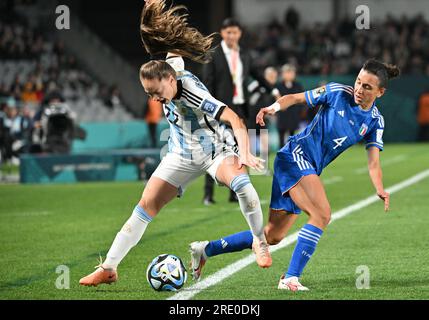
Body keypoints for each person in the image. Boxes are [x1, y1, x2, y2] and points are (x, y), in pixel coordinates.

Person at [79, 0, 271, 287]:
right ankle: (109, 268)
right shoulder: (168, 69)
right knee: (145, 206)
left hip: (214, 151)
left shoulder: (191, 92)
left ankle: (260, 242)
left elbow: (234, 119)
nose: (154, 98)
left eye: (155, 91)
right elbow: (169, 42)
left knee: (245, 187)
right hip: (180, 154)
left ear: (170, 79)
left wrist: (244, 152)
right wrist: (151, 19)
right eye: (148, 93)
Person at [189, 59, 399, 291]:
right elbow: (296, 98)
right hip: (295, 157)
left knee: (272, 235)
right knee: (322, 214)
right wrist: (274, 108)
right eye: (358, 82)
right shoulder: (337, 92)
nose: (359, 89)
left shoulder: (375, 121)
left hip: (305, 167)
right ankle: (290, 278)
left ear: (381, 92)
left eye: (367, 87)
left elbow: (373, 163)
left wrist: (379, 188)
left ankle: (206, 249)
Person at [202, 18, 270, 205]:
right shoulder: (212, 54)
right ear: (222, 33)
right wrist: (209, 108)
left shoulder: (245, 55)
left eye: (235, 32)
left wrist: (271, 89)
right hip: (220, 110)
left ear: (239, 34)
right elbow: (207, 83)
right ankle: (208, 194)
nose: (232, 36)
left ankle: (237, 192)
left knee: (241, 150)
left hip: (241, 108)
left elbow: (256, 74)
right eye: (228, 32)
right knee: (215, 149)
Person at [275, 64, 305, 147]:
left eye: (291, 72)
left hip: (293, 114)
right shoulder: (278, 86)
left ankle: (291, 153)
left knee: (292, 136)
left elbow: (302, 100)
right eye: (287, 72)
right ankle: (281, 153)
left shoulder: (298, 86)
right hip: (282, 115)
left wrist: (299, 111)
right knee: (281, 136)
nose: (289, 75)